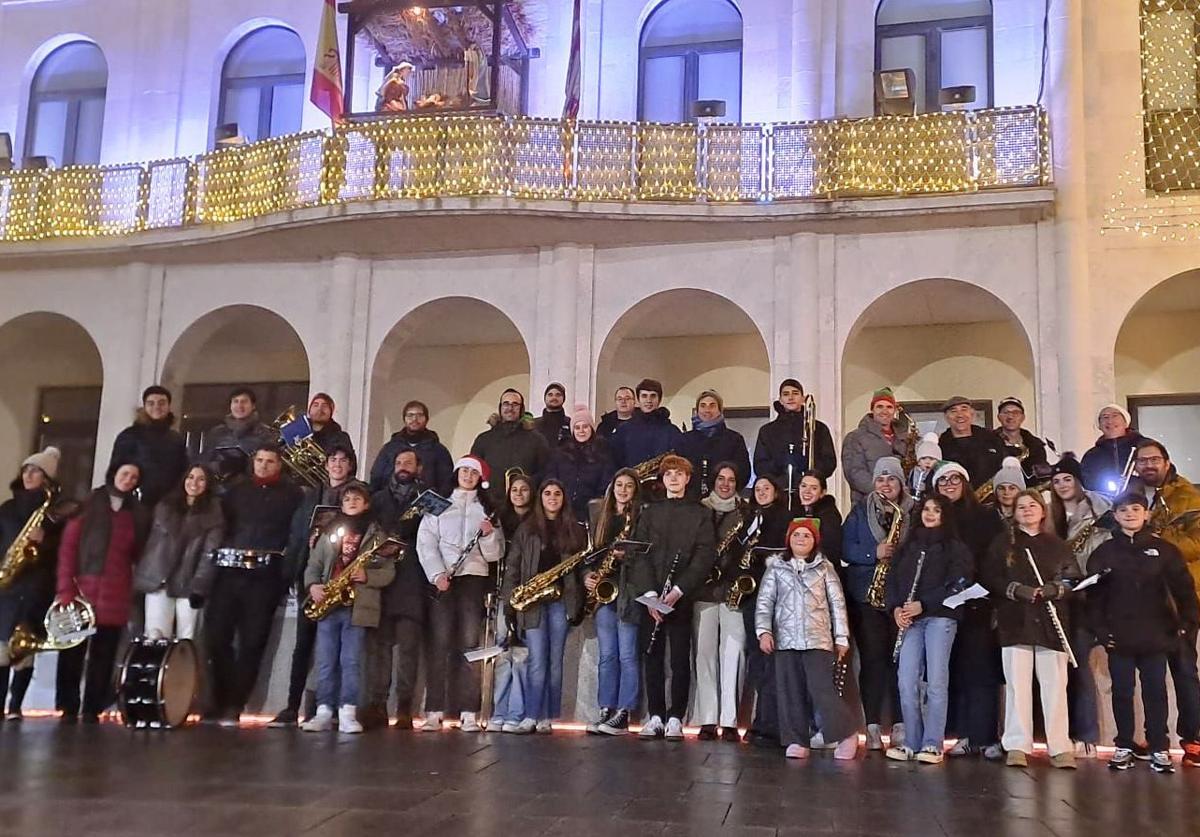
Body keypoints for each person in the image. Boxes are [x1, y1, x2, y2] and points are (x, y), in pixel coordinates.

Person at [1088, 491, 1199, 774]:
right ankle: (1124, 745)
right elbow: (1094, 597)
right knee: (1122, 691)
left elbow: (1185, 591)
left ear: (1147, 513)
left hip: (1156, 635)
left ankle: (1159, 747)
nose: (1130, 514)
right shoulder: (1104, 552)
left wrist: (1185, 625)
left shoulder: (1165, 550)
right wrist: (1101, 632)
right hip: (1119, 636)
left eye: (1136, 509)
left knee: (1156, 692)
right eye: (1123, 510)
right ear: (1115, 515)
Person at [981, 489, 1081, 769]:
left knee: (1055, 686)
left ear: (1042, 510)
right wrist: (1016, 590)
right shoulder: (1003, 543)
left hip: (1052, 621)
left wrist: (1055, 589)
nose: (1026, 510)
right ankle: (1016, 745)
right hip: (1016, 620)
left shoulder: (1059, 545)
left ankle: (1060, 746)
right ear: (1013, 512)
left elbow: (1073, 580)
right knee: (1017, 686)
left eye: (1031, 505)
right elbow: (991, 577)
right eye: (1020, 506)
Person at [204, 445, 303, 726]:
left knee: (253, 641)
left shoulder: (293, 495)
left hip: (265, 577)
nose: (263, 465)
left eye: (269, 461)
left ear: (279, 465)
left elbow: (294, 535)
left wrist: (285, 571)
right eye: (259, 460)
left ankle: (235, 703)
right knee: (216, 637)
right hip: (229, 573)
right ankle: (219, 698)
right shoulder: (236, 491)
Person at [268, 444, 358, 728]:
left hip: (342, 580)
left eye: (343, 460)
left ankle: (324, 707)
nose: (337, 464)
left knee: (335, 650)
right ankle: (292, 706)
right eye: (333, 459)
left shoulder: (358, 495)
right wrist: (295, 569)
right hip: (312, 577)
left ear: (351, 465)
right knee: (303, 645)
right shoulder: (311, 496)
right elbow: (296, 534)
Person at [628, 454, 715, 741]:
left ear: (688, 478)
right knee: (651, 656)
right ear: (662, 479)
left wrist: (677, 592)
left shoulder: (700, 513)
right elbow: (639, 554)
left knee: (679, 658)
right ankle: (655, 716)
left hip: (680, 596)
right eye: (668, 474)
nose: (674, 478)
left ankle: (676, 716)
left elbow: (704, 556)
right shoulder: (649, 512)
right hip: (652, 596)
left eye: (679, 474)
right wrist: (652, 596)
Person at [55, 460, 150, 722]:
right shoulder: (87, 507)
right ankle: (68, 706)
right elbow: (68, 550)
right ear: (113, 474)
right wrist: (65, 589)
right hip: (82, 593)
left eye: (134, 476)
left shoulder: (137, 515)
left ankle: (92, 708)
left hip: (116, 594)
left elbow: (137, 554)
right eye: (125, 473)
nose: (129, 479)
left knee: (103, 656)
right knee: (73, 653)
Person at [755, 518, 857, 760]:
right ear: (788, 539)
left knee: (822, 690)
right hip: (786, 640)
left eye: (806, 536)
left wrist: (841, 637)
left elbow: (838, 604)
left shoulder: (825, 569)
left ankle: (846, 733)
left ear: (815, 541)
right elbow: (765, 602)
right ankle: (797, 739)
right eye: (796, 535)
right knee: (790, 690)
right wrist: (764, 631)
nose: (801, 539)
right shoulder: (776, 568)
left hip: (818, 640)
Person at [417, 455, 503, 732]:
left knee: (470, 645)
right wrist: (437, 574)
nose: (467, 475)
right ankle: (433, 710)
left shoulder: (488, 509)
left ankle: (469, 711)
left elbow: (494, 555)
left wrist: (489, 535)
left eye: (473, 472)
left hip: (473, 580)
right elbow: (426, 543)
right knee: (439, 643)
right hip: (443, 579)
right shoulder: (438, 505)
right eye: (463, 470)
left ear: (480, 478)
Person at [885, 495, 972, 764]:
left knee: (935, 682)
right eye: (926, 509)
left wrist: (925, 604)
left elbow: (959, 582)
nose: (930, 514)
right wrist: (896, 609)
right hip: (910, 618)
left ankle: (932, 743)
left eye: (936, 510)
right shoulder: (908, 546)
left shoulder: (955, 547)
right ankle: (911, 741)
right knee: (906, 680)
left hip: (940, 618)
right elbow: (893, 580)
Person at [302, 483, 394, 734]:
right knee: (325, 660)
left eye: (357, 498)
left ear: (366, 504)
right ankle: (323, 710)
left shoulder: (377, 536)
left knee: (351, 661)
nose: (352, 502)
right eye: (347, 499)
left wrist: (367, 577)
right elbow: (313, 565)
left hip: (358, 606)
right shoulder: (327, 532)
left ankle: (348, 711)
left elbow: (388, 572)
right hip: (328, 605)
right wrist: (313, 587)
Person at [1133, 437, 1200, 766]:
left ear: (1167, 462)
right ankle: (1154, 736)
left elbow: (1196, 543)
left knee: (1185, 671)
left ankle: (1193, 739)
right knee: (1151, 674)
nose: (1148, 465)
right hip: (1143, 600)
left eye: (1154, 460)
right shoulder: (1131, 496)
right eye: (1143, 460)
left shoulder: (1188, 495)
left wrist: (1158, 539)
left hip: (1179, 599)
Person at [502, 479, 586, 733]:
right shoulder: (527, 529)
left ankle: (547, 716)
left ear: (563, 499)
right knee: (537, 660)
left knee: (555, 661)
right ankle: (531, 715)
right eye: (547, 493)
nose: (552, 498)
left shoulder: (573, 529)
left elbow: (580, 566)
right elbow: (513, 566)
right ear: (540, 498)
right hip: (533, 603)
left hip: (560, 601)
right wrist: (510, 599)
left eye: (557, 494)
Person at [935, 460, 1005, 760]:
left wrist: (982, 590)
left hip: (979, 603)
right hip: (945, 606)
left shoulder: (986, 517)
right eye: (942, 480)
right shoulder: (934, 518)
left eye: (955, 478)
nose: (949, 484)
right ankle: (964, 734)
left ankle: (986, 736)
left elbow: (997, 559)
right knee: (957, 671)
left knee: (982, 672)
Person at [842, 457, 912, 750]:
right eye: (881, 479)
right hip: (867, 597)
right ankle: (871, 726)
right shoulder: (859, 512)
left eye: (891, 479)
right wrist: (875, 552)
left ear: (900, 484)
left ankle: (899, 723)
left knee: (901, 662)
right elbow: (846, 548)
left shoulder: (912, 513)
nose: (885, 485)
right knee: (872, 662)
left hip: (901, 597)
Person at [1047, 454, 1111, 758]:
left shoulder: (1100, 510)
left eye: (1067, 479)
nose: (1061, 485)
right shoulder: (1051, 516)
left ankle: (1087, 734)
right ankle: (1059, 734)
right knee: (1058, 670)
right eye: (1056, 481)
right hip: (1059, 597)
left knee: (1082, 667)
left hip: (1088, 595)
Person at [362, 449, 428, 731]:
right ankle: (377, 704)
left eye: (408, 463)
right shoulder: (376, 500)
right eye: (399, 463)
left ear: (419, 468)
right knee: (380, 649)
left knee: (409, 650)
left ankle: (404, 707)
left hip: (412, 580)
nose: (402, 467)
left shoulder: (428, 500)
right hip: (381, 580)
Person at [0, 447, 64, 721]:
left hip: (37, 586)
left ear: (47, 478)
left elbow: (64, 551)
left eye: (35, 470)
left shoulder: (55, 513)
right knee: (2, 648)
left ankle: (16, 705)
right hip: (9, 586)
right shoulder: (7, 508)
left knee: (25, 649)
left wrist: (45, 542)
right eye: (26, 469)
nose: (28, 474)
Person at [691, 462, 748, 741]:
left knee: (733, 653)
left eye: (731, 479)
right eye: (721, 479)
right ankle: (708, 719)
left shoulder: (746, 511)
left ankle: (729, 720)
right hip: (702, 590)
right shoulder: (699, 509)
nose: (725, 484)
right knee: (704, 655)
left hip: (733, 589)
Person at [134, 464, 224, 640]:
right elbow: (151, 544)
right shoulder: (165, 506)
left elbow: (209, 554)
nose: (194, 483)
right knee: (155, 636)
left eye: (201, 479)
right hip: (159, 579)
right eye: (190, 477)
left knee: (187, 641)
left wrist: (199, 586)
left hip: (189, 584)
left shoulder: (214, 514)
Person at [585, 468, 642, 735]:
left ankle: (624, 711)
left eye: (628, 486)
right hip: (605, 592)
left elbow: (646, 556)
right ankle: (606, 707)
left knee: (628, 654)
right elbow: (588, 556)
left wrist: (626, 557)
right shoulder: (601, 518)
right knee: (608, 655)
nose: (622, 490)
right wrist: (588, 575)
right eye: (618, 484)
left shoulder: (640, 519)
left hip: (628, 590)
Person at [742, 475, 794, 748]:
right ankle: (760, 721)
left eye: (767, 488)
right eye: (758, 489)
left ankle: (771, 723)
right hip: (751, 595)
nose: (761, 492)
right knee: (757, 661)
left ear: (776, 492)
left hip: (775, 596)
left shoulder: (783, 518)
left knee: (771, 659)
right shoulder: (749, 517)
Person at [490, 471, 534, 732]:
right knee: (503, 653)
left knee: (522, 656)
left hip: (528, 595)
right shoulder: (500, 520)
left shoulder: (536, 523)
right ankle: (499, 710)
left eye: (524, 489)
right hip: (503, 591)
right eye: (514, 489)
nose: (518, 494)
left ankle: (517, 712)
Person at [753, 379, 837, 506]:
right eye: (786, 394)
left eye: (795, 393)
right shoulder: (767, 431)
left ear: (803, 398)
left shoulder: (818, 428)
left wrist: (810, 469)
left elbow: (829, 462)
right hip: (777, 496)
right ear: (780, 400)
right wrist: (778, 463)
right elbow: (760, 466)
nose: (791, 397)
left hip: (809, 496)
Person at [108, 385, 188, 507]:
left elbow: (183, 471)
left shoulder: (176, 439)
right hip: (134, 504)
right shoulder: (130, 435)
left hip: (168, 504)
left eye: (161, 403)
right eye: (151, 403)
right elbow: (115, 471)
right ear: (145, 407)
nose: (157, 407)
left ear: (168, 407)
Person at [471, 389, 550, 508]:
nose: (510, 408)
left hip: (526, 509)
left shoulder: (537, 440)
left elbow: (546, 472)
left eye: (515, 404)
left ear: (521, 409)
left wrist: (528, 485)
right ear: (500, 407)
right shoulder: (484, 439)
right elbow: (474, 471)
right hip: (489, 506)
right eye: (506, 404)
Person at [369, 399, 454, 496]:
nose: (414, 419)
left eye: (419, 415)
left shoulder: (438, 450)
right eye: (410, 415)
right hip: (389, 503)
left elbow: (446, 482)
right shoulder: (389, 448)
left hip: (425, 504)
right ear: (404, 419)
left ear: (426, 419)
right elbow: (376, 477)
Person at [544, 405, 615, 521]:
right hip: (562, 510)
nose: (581, 431)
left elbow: (605, 484)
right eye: (577, 428)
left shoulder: (602, 455)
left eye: (585, 427)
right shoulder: (560, 454)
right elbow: (550, 478)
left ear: (591, 429)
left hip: (589, 512)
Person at [842, 387, 911, 505]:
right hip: (867, 504)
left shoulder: (905, 438)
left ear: (894, 410)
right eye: (880, 406)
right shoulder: (855, 437)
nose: (884, 411)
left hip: (901, 505)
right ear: (872, 409)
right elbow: (855, 473)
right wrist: (884, 493)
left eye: (889, 407)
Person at [678, 390, 750, 499]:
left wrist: (726, 490)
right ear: (697, 410)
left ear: (719, 410)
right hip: (691, 501)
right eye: (703, 406)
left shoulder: (734, 439)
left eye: (712, 405)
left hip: (724, 502)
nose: (707, 410)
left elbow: (743, 472)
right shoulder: (685, 440)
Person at [203, 387, 277, 483]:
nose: (239, 406)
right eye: (235, 401)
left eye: (244, 402)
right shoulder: (217, 432)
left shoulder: (265, 433)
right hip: (219, 488)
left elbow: (273, 464)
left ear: (253, 405)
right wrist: (221, 466)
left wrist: (247, 465)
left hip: (253, 488)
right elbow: (203, 462)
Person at [610, 378, 684, 471]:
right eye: (644, 396)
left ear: (659, 399)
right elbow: (614, 464)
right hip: (632, 483)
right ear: (638, 399)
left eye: (653, 396)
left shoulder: (672, 431)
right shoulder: (623, 430)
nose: (648, 400)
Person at [937, 396, 1003, 489]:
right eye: (953, 411)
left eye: (964, 409)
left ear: (972, 414)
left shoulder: (991, 438)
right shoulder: (940, 445)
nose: (960, 415)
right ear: (946, 417)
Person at [1080, 404, 1146, 496]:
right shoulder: (1092, 455)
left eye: (1115, 416)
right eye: (1105, 417)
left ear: (1126, 422)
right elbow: (1088, 483)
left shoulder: (1145, 446)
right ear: (1099, 425)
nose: (1110, 421)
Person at [993, 397, 1049, 484]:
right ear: (999, 417)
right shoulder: (987, 442)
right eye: (1006, 412)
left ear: (1023, 417)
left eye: (1016, 412)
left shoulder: (1035, 445)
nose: (1010, 416)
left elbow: (1042, 477)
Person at [797, 471, 843, 566]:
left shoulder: (829, 515)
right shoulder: (793, 511)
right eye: (803, 486)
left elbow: (830, 552)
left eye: (814, 488)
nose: (807, 491)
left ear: (822, 493)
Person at [304, 393, 354, 458]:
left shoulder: (341, 438)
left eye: (324, 406)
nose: (319, 409)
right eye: (315, 405)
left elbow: (349, 464)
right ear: (309, 410)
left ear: (331, 412)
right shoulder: (298, 431)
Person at [533, 382, 572, 449]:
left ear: (563, 398)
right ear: (545, 398)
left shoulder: (570, 423)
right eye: (550, 395)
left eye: (558, 395)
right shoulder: (534, 424)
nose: (554, 397)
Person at [990, 457, 1026, 523]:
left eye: (1012, 488)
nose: (1006, 492)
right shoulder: (985, 514)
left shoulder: (1029, 514)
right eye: (1001, 488)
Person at [908, 433, 941, 504]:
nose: (927, 462)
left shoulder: (936, 474)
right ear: (918, 461)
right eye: (923, 458)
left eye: (931, 459)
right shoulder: (913, 471)